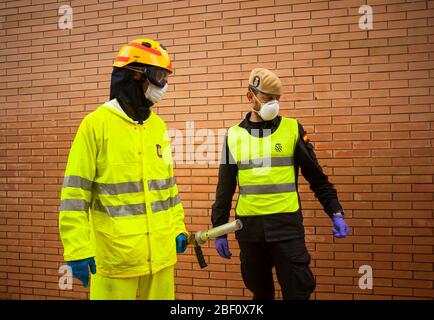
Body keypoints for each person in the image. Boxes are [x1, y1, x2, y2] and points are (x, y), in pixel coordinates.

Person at [59, 39, 188, 300]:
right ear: (135, 75)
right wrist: (77, 249)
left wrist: (177, 227)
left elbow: (168, 189)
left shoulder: (158, 127)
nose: (163, 85)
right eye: (160, 76)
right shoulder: (95, 125)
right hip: (116, 258)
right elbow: (75, 194)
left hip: (161, 256)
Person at [211, 68, 350, 300]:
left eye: (277, 98)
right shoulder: (233, 136)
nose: (274, 104)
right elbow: (224, 188)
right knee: (261, 294)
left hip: (287, 229)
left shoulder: (292, 130)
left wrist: (335, 211)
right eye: (267, 98)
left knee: (297, 293)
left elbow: (316, 177)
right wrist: (219, 230)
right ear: (250, 97)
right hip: (250, 231)